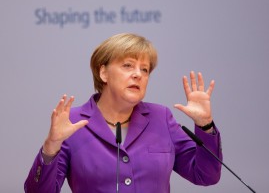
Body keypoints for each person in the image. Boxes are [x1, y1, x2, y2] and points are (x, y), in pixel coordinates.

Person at [24, 33, 222, 193]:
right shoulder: (72, 122)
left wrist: (205, 125)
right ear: (103, 73)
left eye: (144, 70)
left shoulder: (161, 118)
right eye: (127, 65)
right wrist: (51, 147)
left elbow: (206, 176)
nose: (138, 74)